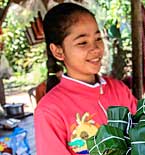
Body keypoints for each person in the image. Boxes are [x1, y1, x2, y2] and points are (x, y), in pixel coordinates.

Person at [34, 3, 137, 155]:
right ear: (58, 51)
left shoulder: (119, 89)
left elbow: (143, 133)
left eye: (98, 38)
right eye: (83, 42)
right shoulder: (49, 111)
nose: (96, 49)